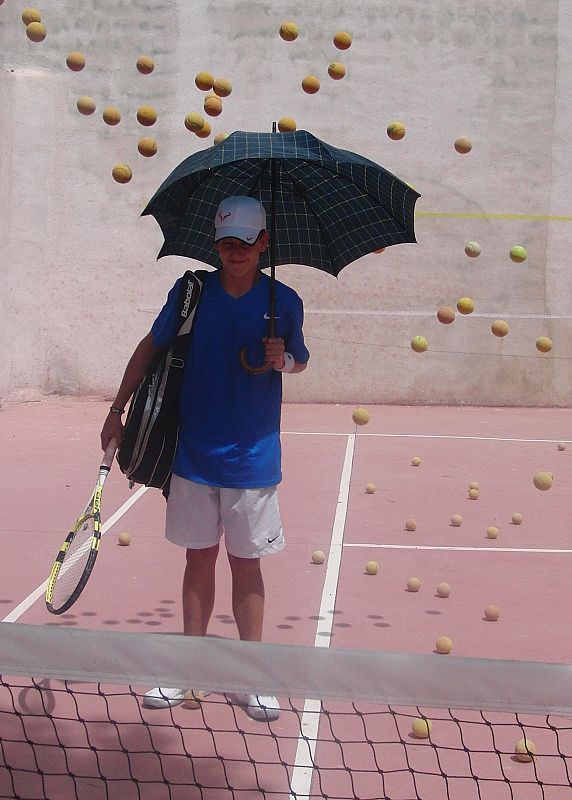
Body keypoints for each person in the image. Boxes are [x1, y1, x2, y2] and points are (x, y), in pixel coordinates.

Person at [100, 195, 309, 721]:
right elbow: (151, 345)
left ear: (264, 244)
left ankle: (253, 675)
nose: (234, 252)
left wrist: (278, 357)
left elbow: (300, 360)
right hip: (193, 454)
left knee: (246, 565)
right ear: (215, 245)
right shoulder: (191, 294)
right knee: (197, 561)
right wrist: (116, 407)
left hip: (253, 459)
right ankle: (188, 671)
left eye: (244, 242)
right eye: (225, 243)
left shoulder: (284, 301)